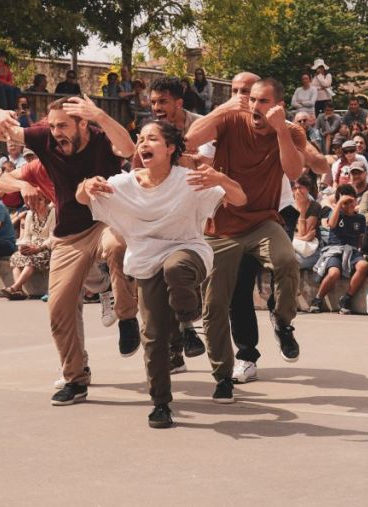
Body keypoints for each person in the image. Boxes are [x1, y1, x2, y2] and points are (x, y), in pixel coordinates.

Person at [79, 119, 246, 426]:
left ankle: (186, 318)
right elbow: (82, 197)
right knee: (153, 336)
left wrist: (221, 178)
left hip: (189, 251)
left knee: (175, 267)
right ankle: (160, 403)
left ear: (170, 148)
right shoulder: (125, 183)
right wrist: (86, 185)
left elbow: (239, 199)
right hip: (145, 262)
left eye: (152, 139)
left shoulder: (189, 180)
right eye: (140, 139)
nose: (143, 144)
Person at [0, 94, 135, 406]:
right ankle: (75, 378)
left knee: (118, 246)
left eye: (64, 126)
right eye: (53, 126)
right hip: (68, 233)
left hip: (105, 222)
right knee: (58, 307)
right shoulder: (44, 138)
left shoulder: (100, 138)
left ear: (83, 124)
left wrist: (102, 116)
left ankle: (126, 316)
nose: (57, 133)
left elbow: (129, 149)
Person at [185, 78, 307, 403]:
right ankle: (222, 376)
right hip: (222, 225)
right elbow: (187, 140)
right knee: (214, 305)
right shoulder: (229, 120)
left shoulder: (290, 131)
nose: (254, 106)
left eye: (263, 101)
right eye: (252, 99)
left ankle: (282, 321)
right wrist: (223, 108)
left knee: (286, 261)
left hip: (262, 221)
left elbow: (294, 171)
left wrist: (281, 130)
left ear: (279, 105)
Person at [310, 184, 368, 314]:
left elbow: (360, 238)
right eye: (345, 203)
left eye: (351, 202)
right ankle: (318, 298)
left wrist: (360, 252)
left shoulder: (360, 218)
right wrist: (339, 204)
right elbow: (331, 224)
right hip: (334, 249)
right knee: (334, 273)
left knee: (363, 266)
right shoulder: (336, 214)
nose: (348, 205)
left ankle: (347, 298)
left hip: (352, 250)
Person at [2, 192, 56, 299]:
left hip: (46, 248)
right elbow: (26, 236)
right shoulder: (30, 214)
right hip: (32, 246)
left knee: (31, 259)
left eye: (40, 200)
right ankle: (20, 291)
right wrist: (25, 246)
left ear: (46, 201)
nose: (36, 203)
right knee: (15, 257)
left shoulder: (53, 213)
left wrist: (38, 248)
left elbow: (52, 238)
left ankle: (14, 287)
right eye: (34, 201)